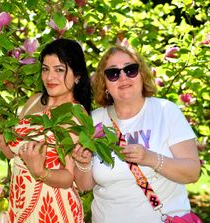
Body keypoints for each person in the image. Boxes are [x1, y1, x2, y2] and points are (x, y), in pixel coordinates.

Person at [73, 44, 201, 223]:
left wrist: (150, 158)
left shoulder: (166, 111)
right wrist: (83, 163)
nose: (123, 77)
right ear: (105, 83)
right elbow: (84, 185)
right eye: (113, 73)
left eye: (130, 69)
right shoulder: (94, 120)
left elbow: (192, 173)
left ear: (142, 74)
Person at [0, 38, 92, 222]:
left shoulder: (76, 116)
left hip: (53, 210)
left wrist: (41, 172)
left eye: (59, 70)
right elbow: (14, 154)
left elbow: (68, 177)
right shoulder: (34, 101)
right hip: (20, 205)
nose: (50, 77)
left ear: (78, 75)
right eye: (45, 69)